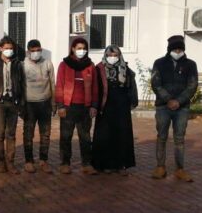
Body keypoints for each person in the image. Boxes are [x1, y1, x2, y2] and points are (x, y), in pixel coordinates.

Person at [151, 35, 198, 182]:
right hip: (163, 107)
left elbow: (192, 85)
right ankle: (160, 167)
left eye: (180, 49)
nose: (178, 51)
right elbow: (156, 84)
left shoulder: (190, 64)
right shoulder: (159, 63)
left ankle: (179, 169)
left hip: (182, 108)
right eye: (175, 49)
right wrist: (168, 100)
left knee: (179, 139)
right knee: (162, 137)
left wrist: (179, 101)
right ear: (169, 49)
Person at [55, 37, 99, 175]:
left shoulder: (90, 66)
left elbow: (95, 88)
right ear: (73, 49)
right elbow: (59, 86)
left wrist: (94, 106)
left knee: (85, 137)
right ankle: (65, 163)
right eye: (79, 48)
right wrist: (60, 105)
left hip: (85, 107)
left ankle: (86, 164)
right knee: (66, 136)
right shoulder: (64, 65)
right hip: (68, 106)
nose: (82, 51)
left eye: (84, 48)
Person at [92, 45, 138, 175]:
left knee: (122, 135)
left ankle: (121, 165)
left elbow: (131, 87)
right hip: (105, 106)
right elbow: (95, 88)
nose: (112, 58)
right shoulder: (99, 69)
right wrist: (94, 105)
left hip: (122, 107)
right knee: (105, 135)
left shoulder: (125, 69)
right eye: (110, 55)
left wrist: (132, 101)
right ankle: (104, 164)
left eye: (115, 55)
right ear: (105, 56)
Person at [0, 36, 25, 174]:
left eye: (11, 48)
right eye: (6, 48)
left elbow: (22, 84)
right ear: (0, 48)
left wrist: (21, 103)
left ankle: (10, 162)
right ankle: (1, 162)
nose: (9, 51)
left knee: (11, 134)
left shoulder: (18, 64)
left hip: (13, 102)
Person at [22, 39, 55, 174]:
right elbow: (20, 86)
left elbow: (53, 83)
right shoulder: (22, 65)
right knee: (28, 134)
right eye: (33, 51)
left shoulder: (47, 63)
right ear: (28, 51)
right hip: (29, 104)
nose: (36, 53)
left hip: (45, 103)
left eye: (38, 50)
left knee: (45, 134)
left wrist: (54, 102)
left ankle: (43, 160)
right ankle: (29, 161)